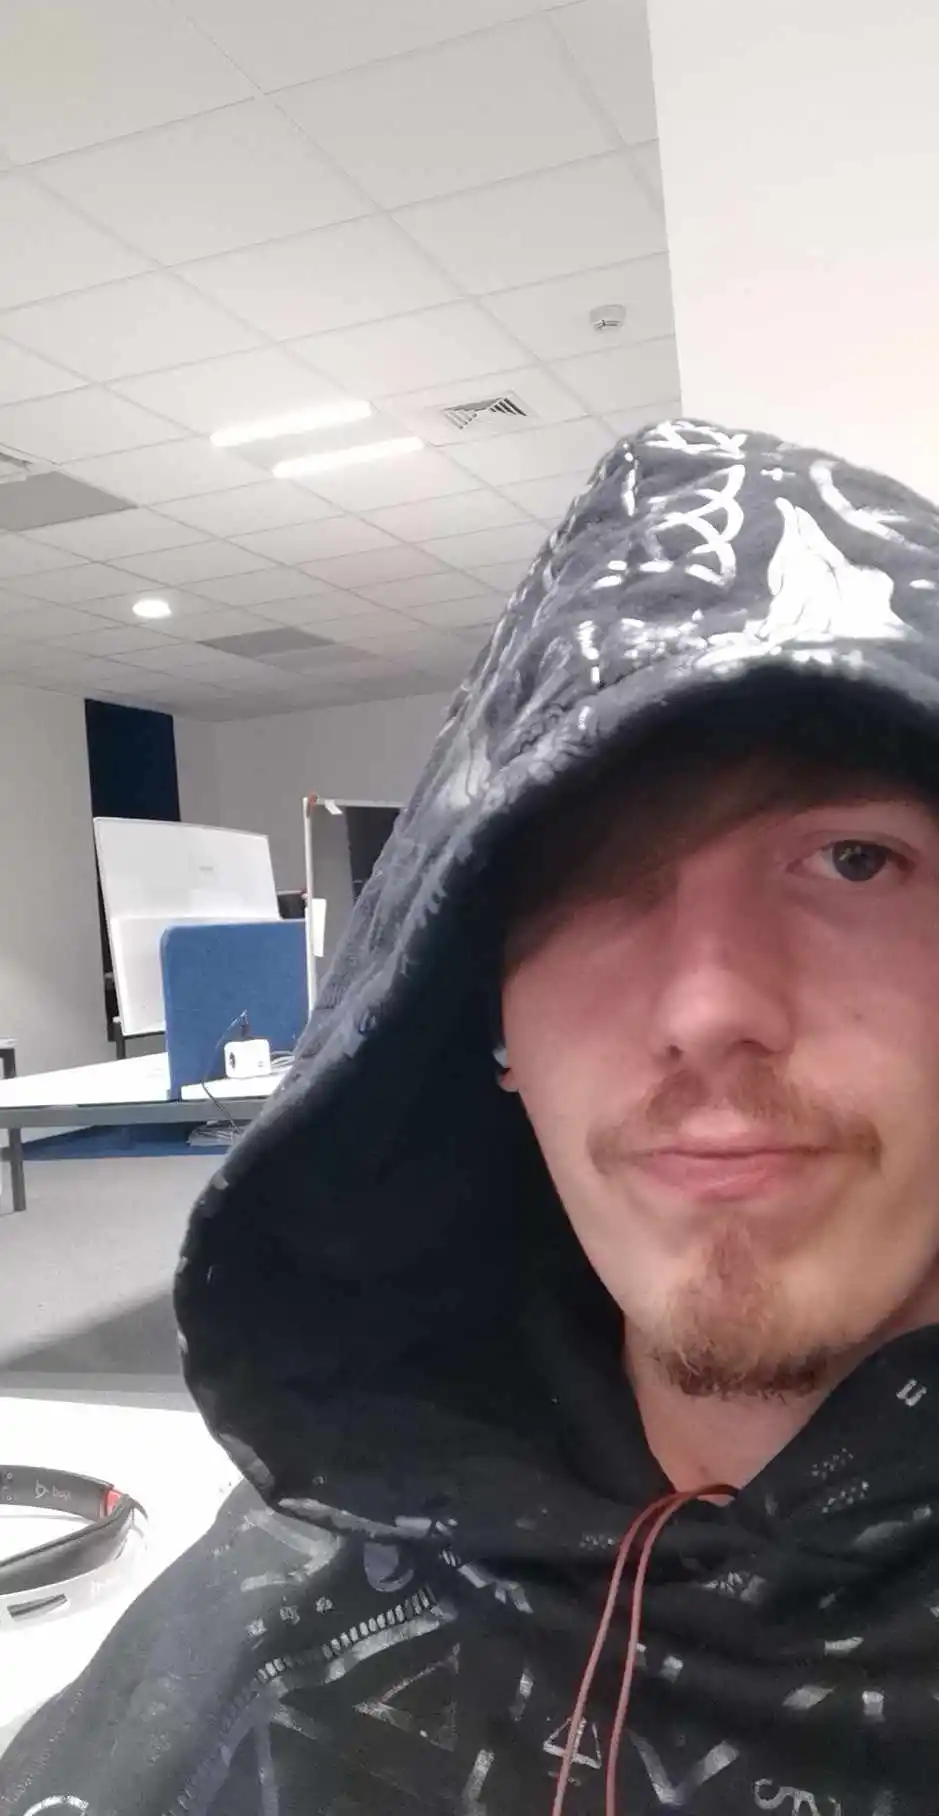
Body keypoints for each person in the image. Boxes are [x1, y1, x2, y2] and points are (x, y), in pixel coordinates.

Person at [6, 417, 939, 1814]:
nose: (705, 1004)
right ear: (485, 1016)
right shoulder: (293, 1627)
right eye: (589, 882)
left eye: (853, 860)